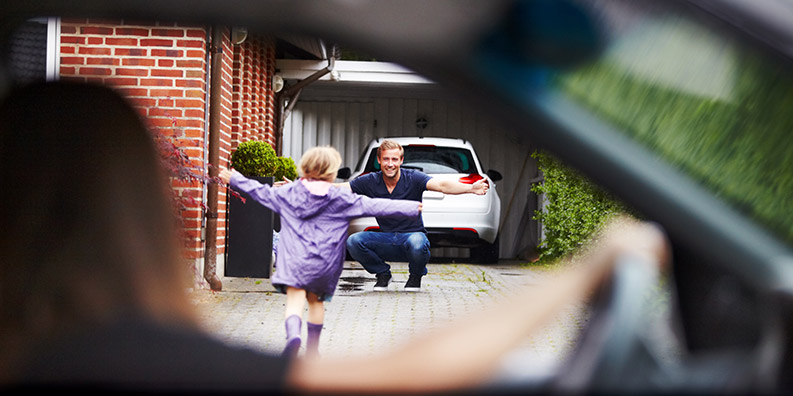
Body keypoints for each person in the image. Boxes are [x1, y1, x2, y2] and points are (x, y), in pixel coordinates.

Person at [0, 81, 671, 394]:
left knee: (305, 296)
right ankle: (306, 349)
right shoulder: (130, 360)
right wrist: (582, 273)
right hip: (325, 264)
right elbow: (409, 372)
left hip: (299, 261)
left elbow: (256, 190)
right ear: (136, 213)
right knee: (318, 299)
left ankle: (302, 341)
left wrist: (228, 175)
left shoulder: (41, 354)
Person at [218, 147, 421, 359]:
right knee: (316, 303)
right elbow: (375, 205)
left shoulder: (288, 193)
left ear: (304, 167)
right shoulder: (341, 198)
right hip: (323, 264)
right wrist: (410, 207)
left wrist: (236, 179)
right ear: (332, 173)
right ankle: (313, 349)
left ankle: (294, 337)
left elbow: (261, 192)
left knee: (295, 301)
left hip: (294, 260)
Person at [341, 139, 489, 292]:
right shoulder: (370, 180)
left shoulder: (413, 178)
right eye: (386, 159)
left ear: (401, 160)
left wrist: (471, 187)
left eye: (394, 159)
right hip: (386, 239)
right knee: (353, 241)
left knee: (418, 242)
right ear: (379, 160)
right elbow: (345, 188)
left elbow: (441, 185)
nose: (390, 164)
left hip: (412, 239)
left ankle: (415, 276)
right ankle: (382, 274)